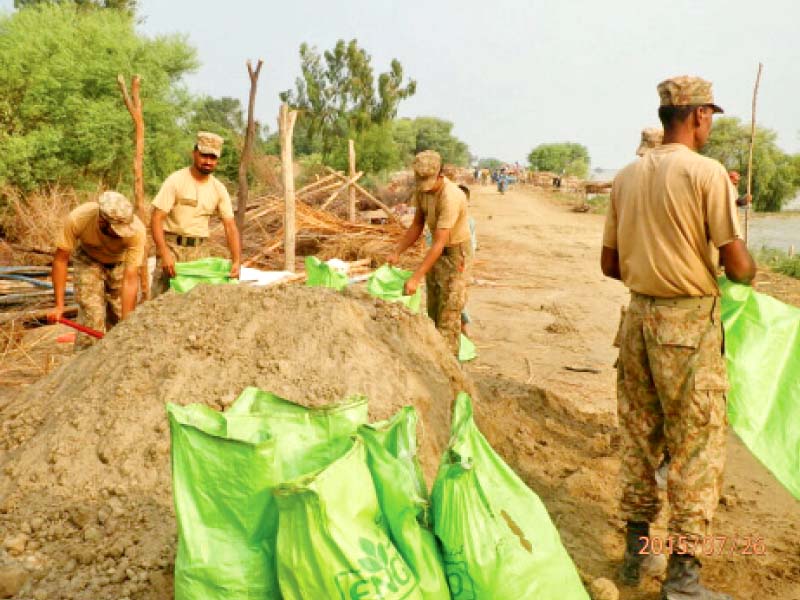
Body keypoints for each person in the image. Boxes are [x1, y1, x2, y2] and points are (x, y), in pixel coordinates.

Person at [601, 75, 756, 600]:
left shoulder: (625, 176)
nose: (710, 124)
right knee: (696, 450)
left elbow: (609, 264)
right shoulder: (707, 173)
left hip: (637, 324)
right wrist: (739, 265)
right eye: (710, 115)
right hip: (687, 328)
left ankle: (633, 561)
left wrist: (654, 271)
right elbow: (738, 268)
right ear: (697, 116)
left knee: (641, 444)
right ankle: (684, 584)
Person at [388, 150, 472, 356]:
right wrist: (397, 251)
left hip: (455, 253)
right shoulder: (422, 191)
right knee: (433, 307)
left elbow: (440, 241)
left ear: (440, 174)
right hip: (436, 252)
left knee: (449, 311)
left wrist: (415, 278)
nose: (425, 186)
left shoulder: (451, 197)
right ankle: (436, 360)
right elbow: (417, 225)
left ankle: (451, 369)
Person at [150, 131, 241, 297]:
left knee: (195, 304)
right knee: (161, 302)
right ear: (194, 153)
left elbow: (230, 226)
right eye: (204, 156)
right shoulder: (176, 180)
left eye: (212, 158)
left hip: (200, 253)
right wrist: (164, 253)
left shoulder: (219, 189)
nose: (208, 161)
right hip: (172, 248)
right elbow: (157, 218)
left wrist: (236, 260)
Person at [51, 191, 146, 348]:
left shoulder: (136, 231)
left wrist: (126, 320)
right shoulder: (79, 219)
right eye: (117, 230)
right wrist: (59, 305)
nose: (120, 234)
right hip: (89, 260)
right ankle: (84, 360)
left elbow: (130, 278)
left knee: (119, 318)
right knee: (92, 316)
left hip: (119, 263)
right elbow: (60, 260)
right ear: (102, 221)